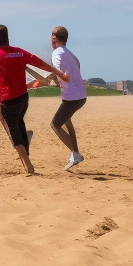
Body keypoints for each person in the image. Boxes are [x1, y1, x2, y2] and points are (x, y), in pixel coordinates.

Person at [0, 24, 69, 175]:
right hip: (23, 98)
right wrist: (60, 74)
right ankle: (25, 160)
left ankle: (29, 167)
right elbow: (40, 63)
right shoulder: (19, 52)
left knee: (15, 133)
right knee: (19, 127)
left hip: (8, 100)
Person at [0, 54, 47, 169]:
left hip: (4, 99)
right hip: (3, 98)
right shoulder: (6, 64)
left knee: (5, 130)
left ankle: (25, 161)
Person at [49, 26, 88, 171]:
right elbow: (78, 64)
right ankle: (75, 152)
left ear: (54, 38)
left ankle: (75, 153)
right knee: (66, 120)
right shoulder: (69, 53)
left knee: (55, 124)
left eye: (51, 36)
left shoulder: (57, 53)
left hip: (71, 97)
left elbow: (57, 71)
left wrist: (56, 78)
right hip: (81, 96)